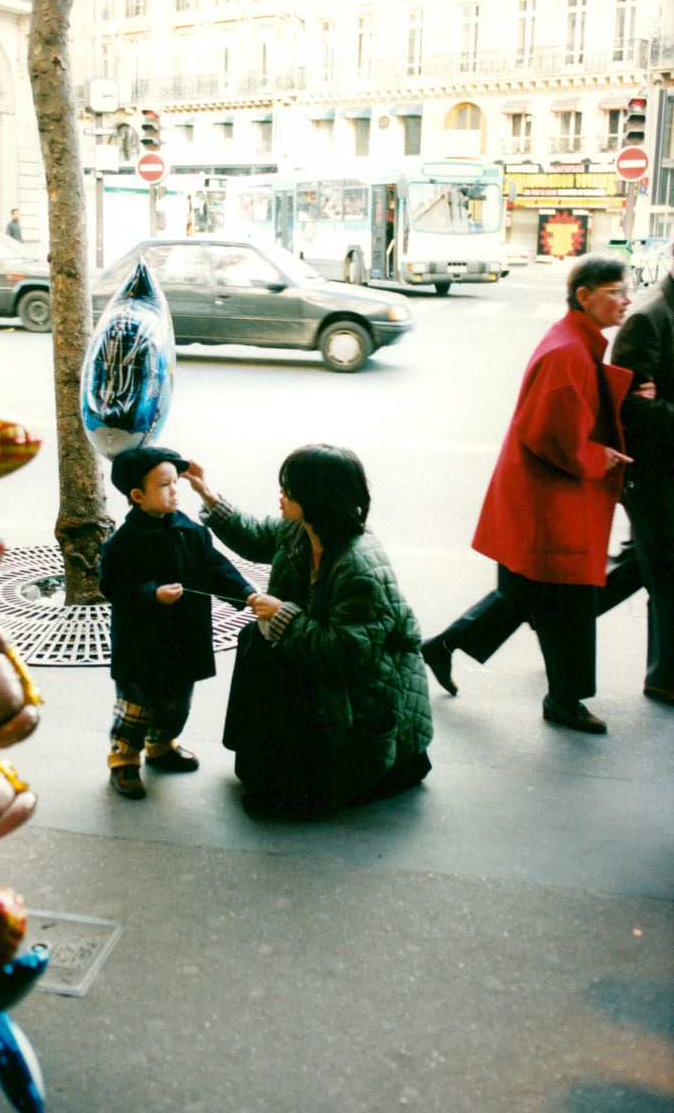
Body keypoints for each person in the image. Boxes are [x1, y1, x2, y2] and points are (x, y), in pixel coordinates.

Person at [421, 254, 634, 733]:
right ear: (585, 296)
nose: (627, 300)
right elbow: (549, 432)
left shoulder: (574, 341)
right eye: (617, 291)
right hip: (551, 504)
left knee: (523, 593)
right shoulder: (567, 350)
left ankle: (443, 646)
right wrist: (597, 457)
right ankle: (564, 701)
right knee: (568, 603)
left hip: (543, 499)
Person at [186, 444, 433, 818]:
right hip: (326, 661)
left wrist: (283, 616)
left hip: (365, 690)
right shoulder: (300, 530)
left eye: (289, 488)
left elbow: (345, 652)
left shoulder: (358, 563)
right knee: (255, 639)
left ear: (316, 497)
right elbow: (254, 536)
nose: (280, 494)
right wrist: (207, 493)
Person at [99, 445, 256, 799]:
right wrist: (152, 594)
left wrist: (245, 593)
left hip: (184, 639)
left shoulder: (189, 530)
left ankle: (162, 745)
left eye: (175, 483)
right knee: (136, 707)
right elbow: (113, 586)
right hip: (141, 645)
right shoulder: (123, 543)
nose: (175, 491)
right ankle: (123, 759)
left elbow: (216, 567)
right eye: (165, 485)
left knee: (176, 702)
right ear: (138, 496)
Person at [610, 242, 674, 707]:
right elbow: (628, 410)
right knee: (668, 574)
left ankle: (549, 616)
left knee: (638, 568)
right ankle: (664, 679)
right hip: (651, 478)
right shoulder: (649, 318)